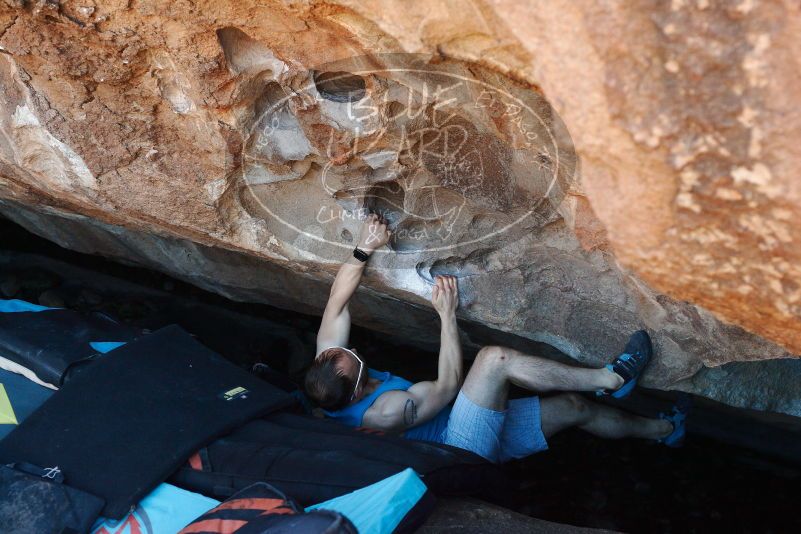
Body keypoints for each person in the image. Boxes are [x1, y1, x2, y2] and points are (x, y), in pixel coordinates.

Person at [304, 214, 687, 463]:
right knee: (493, 360)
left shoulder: (332, 364)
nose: (351, 350)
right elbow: (449, 385)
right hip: (459, 447)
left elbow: (336, 305)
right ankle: (613, 379)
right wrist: (446, 315)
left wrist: (364, 247)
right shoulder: (384, 412)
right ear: (355, 392)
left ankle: (664, 431)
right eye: (353, 359)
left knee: (573, 407)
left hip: (469, 422)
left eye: (343, 350)